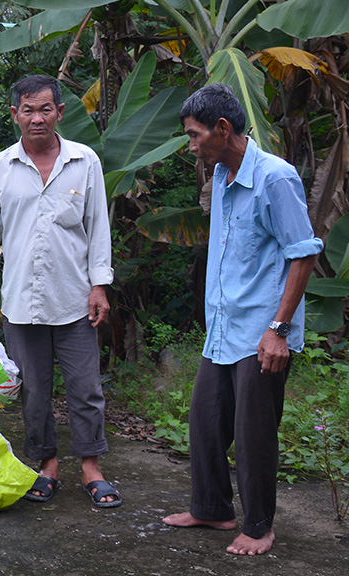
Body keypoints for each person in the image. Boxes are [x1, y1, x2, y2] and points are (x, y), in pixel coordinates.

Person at [162, 83, 322, 556]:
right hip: (224, 328)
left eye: (194, 136)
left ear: (222, 128)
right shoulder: (222, 177)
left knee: (254, 434)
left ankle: (258, 527)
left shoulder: (275, 177)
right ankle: (213, 508)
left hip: (262, 332)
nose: (192, 146)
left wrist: (279, 330)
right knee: (205, 422)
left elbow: (303, 254)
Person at [0, 74, 120, 508]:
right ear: (15, 115)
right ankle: (47, 464)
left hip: (75, 299)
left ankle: (91, 467)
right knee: (33, 390)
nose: (37, 118)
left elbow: (98, 228)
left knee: (86, 388)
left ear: (60, 113)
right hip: (21, 301)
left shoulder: (84, 161)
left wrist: (100, 286)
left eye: (45, 109)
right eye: (28, 110)